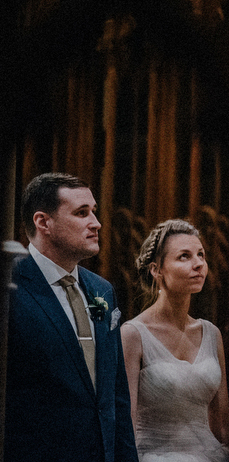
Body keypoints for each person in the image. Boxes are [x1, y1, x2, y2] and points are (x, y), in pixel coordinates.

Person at [5, 172, 139, 462]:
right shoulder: (10, 288)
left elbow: (115, 395)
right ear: (43, 223)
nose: (96, 223)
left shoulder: (102, 289)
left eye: (94, 212)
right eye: (82, 213)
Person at [120, 219, 229, 462]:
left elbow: (222, 423)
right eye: (184, 256)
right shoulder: (133, 334)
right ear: (156, 270)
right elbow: (125, 420)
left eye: (201, 255)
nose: (199, 264)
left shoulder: (211, 334)